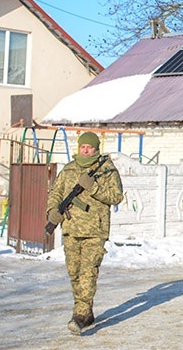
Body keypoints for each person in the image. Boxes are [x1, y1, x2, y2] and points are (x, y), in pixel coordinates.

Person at [43, 132, 124, 335]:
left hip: (95, 231)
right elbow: (56, 193)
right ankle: (86, 312)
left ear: (96, 149)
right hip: (71, 229)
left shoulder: (106, 171)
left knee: (88, 273)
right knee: (75, 273)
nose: (85, 150)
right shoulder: (69, 169)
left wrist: (94, 188)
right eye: (82, 147)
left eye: (89, 147)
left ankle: (79, 316)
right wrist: (52, 211)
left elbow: (116, 197)